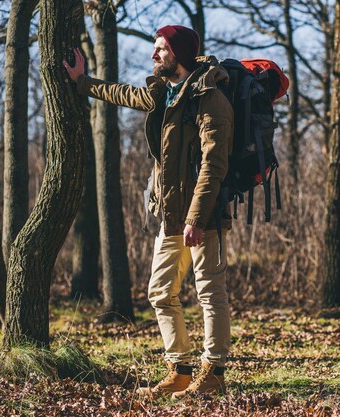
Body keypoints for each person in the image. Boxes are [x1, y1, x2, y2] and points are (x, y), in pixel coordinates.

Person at [64, 25, 233, 398]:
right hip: (171, 213)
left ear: (180, 54)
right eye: (156, 48)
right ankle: (180, 369)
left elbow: (213, 167)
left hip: (204, 216)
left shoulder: (210, 98)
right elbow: (123, 93)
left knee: (209, 291)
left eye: (161, 49)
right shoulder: (164, 92)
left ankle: (215, 371)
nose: (154, 54)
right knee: (159, 292)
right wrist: (83, 81)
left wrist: (196, 218)